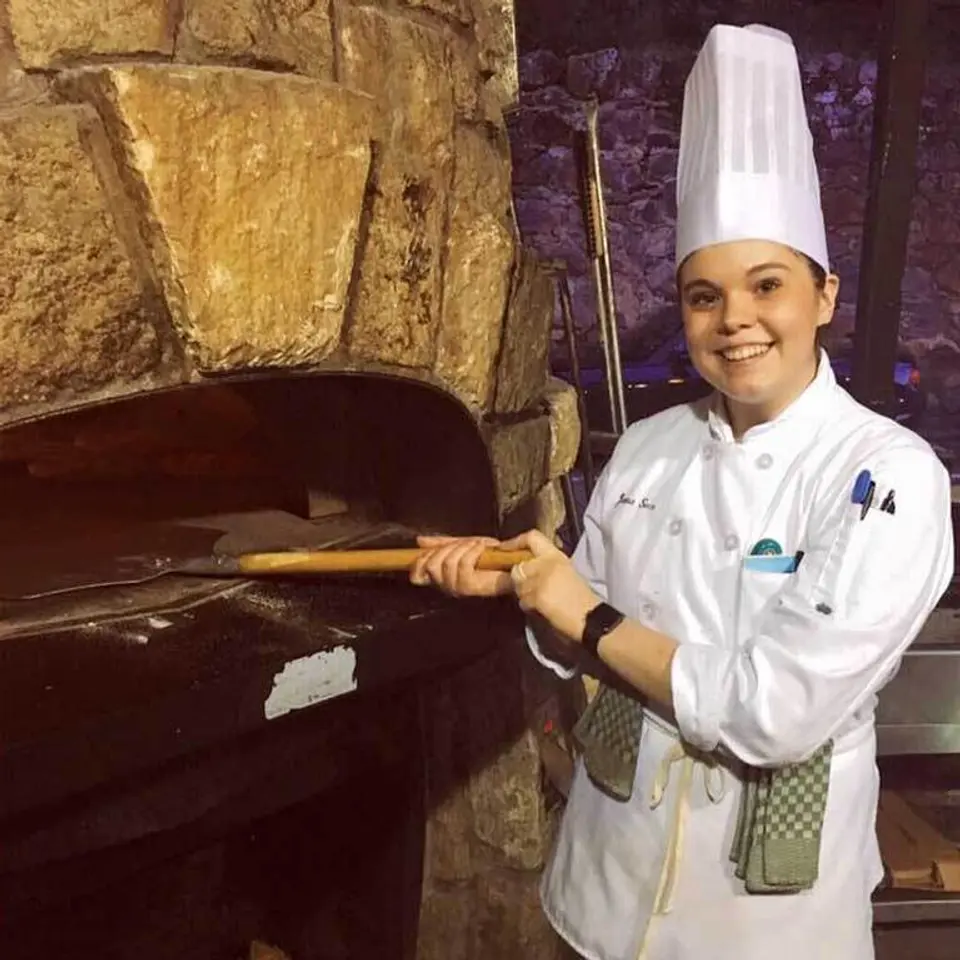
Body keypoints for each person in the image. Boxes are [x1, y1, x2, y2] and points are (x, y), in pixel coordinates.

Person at [410, 22, 954, 960]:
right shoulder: (648, 448)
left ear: (824, 296)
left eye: (766, 285)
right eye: (704, 295)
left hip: (764, 931)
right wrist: (516, 586)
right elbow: (572, 635)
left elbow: (772, 713)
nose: (734, 318)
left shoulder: (887, 476)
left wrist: (584, 615)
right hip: (601, 897)